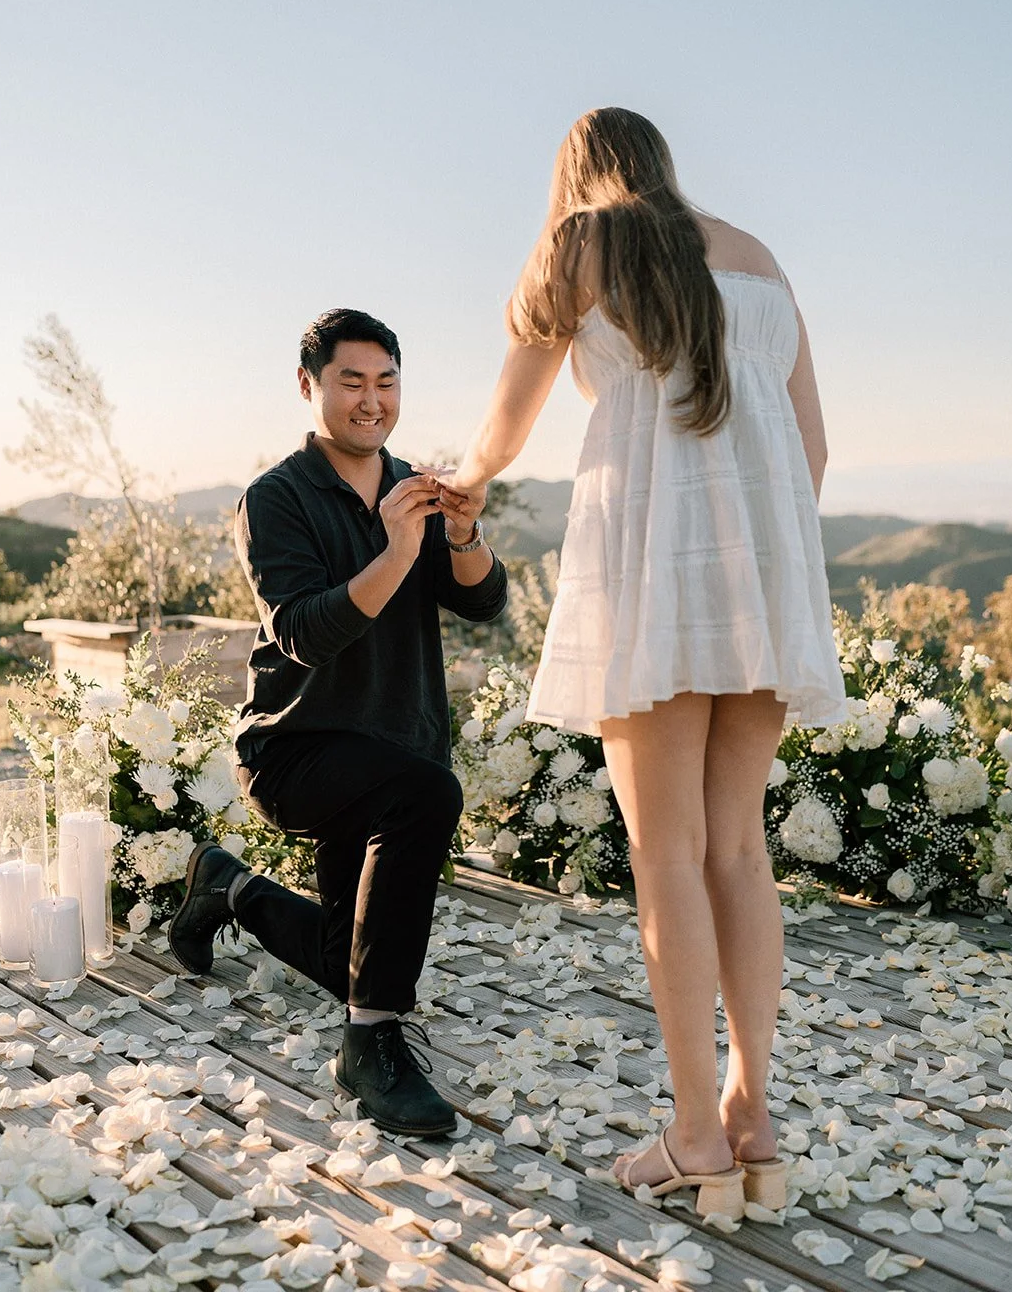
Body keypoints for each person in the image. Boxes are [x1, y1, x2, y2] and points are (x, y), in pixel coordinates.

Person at [440, 108, 847, 1218]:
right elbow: (810, 447)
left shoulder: (577, 245)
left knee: (662, 851)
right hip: (762, 576)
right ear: (662, 164)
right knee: (736, 845)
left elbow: (506, 422)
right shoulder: (758, 259)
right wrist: (755, 567)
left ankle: (691, 1136)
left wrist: (461, 480)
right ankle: (752, 1115)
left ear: (576, 176)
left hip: (649, 574)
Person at [168, 307, 507, 1138]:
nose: (371, 400)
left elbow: (483, 600)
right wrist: (394, 551)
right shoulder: (275, 498)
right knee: (424, 800)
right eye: (350, 381)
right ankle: (367, 1048)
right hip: (295, 750)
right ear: (308, 385)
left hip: (392, 750)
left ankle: (228, 885)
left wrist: (461, 532)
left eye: (386, 381)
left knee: (347, 960)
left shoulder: (411, 490)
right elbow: (304, 632)